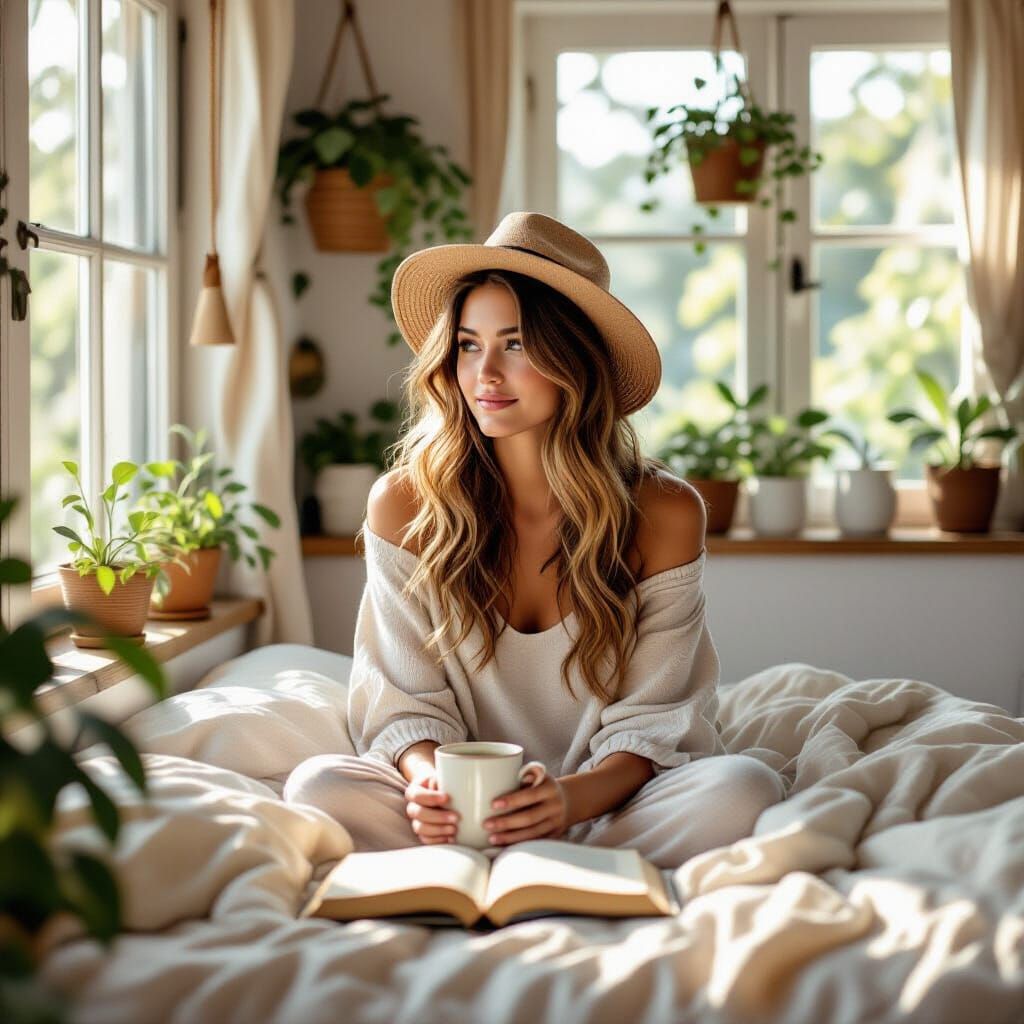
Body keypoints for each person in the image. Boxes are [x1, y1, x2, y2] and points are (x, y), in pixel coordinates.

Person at [284, 212, 785, 869]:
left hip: (606, 803)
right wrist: (431, 781)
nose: (485, 373)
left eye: (515, 344)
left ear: (574, 360)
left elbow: (654, 724)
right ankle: (518, 853)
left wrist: (566, 800)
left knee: (743, 790)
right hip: (457, 812)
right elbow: (402, 705)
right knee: (317, 786)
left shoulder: (663, 513)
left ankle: (530, 853)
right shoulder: (404, 504)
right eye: (467, 344)